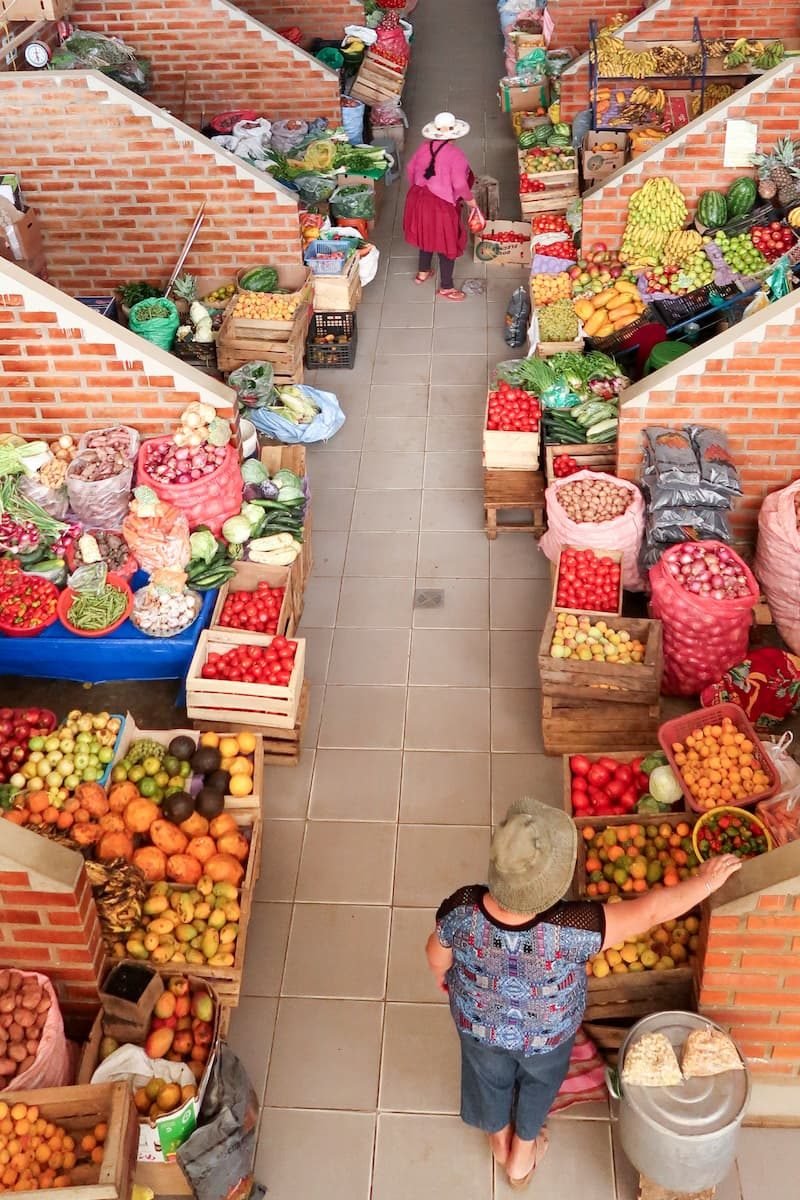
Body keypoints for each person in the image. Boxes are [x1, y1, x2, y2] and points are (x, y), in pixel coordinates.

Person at [425, 797, 741, 1190]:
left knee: (486, 1075)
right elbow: (651, 912)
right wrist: (707, 881)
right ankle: (522, 1154)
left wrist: (444, 977)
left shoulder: (462, 906)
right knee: (540, 1082)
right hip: (549, 1033)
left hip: (477, 1025)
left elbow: (434, 952)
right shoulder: (576, 927)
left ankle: (497, 1137)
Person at [403, 111, 480, 302]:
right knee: (447, 244)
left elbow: (410, 169)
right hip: (441, 205)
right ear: (455, 134)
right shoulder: (456, 155)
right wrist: (472, 203)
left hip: (418, 199)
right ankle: (446, 287)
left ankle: (423, 272)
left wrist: (419, 188)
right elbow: (460, 184)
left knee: (425, 234)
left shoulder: (424, 147)